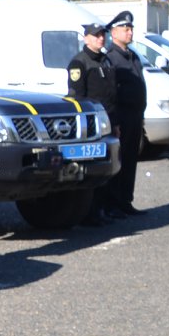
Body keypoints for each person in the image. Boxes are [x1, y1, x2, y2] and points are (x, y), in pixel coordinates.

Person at [65, 22, 116, 226]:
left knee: (107, 168)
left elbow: (112, 93)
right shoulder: (79, 63)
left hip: (109, 120)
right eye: (96, 35)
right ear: (86, 38)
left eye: (102, 35)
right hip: (92, 124)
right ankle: (90, 213)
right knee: (92, 170)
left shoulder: (105, 60)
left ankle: (103, 209)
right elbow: (77, 97)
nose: (100, 38)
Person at [102, 10, 147, 218]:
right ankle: (112, 204)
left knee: (130, 159)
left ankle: (125, 200)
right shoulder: (111, 58)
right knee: (119, 161)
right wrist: (116, 121)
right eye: (125, 29)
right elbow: (111, 92)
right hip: (121, 115)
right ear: (114, 32)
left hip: (136, 114)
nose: (129, 33)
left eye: (131, 29)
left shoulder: (133, 56)